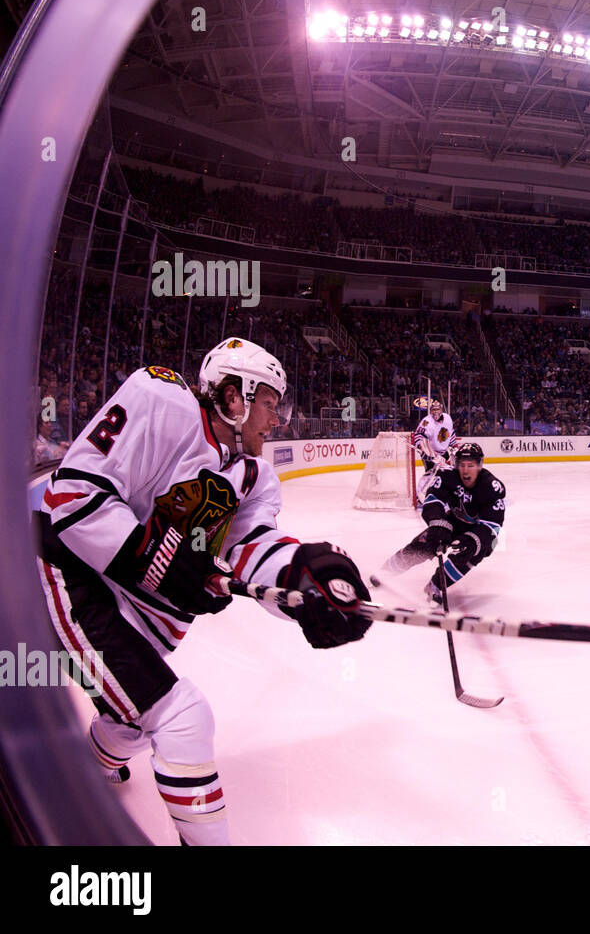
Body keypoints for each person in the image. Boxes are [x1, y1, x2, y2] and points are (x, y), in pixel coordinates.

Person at [35, 339, 372, 845]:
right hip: (72, 580)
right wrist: (158, 563)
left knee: (129, 719)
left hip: (138, 614)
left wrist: (303, 575)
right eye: (269, 403)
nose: (276, 419)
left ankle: (83, 773)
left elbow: (252, 548)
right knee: (182, 718)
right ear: (234, 398)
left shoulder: (253, 475)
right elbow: (73, 494)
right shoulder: (160, 400)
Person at [377, 443, 505, 606]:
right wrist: (438, 523)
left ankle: (436, 585)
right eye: (462, 465)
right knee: (426, 542)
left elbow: (492, 525)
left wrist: (474, 541)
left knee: (473, 553)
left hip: (479, 529)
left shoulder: (491, 487)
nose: (465, 470)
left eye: (471, 465)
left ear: (479, 466)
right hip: (453, 520)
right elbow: (433, 499)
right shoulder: (448, 477)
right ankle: (386, 571)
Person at [414, 398, 457, 492]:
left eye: (437, 409)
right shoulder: (426, 421)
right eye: (433, 410)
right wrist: (423, 448)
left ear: (441, 410)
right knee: (431, 475)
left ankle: (441, 493)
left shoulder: (447, 418)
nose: (435, 412)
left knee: (444, 474)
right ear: (430, 411)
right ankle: (423, 494)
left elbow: (451, 432)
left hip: (444, 453)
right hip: (430, 455)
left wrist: (454, 445)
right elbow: (418, 435)